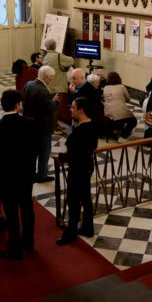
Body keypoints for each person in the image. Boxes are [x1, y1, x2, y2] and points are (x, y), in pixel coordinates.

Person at [0, 90, 38, 259]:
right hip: (25, 174)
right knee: (27, 208)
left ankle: (14, 247)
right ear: (18, 105)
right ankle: (29, 242)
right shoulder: (30, 123)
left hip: (5, 177)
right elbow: (34, 150)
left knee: (11, 212)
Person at [56, 97, 99, 245]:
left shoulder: (81, 130)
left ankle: (70, 232)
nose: (70, 109)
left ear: (81, 110)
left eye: (73, 107)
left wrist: (62, 156)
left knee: (74, 200)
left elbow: (74, 152)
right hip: (87, 165)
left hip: (78, 168)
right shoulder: (91, 124)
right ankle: (88, 227)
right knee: (85, 198)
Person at [22, 65, 59, 183]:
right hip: (43, 127)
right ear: (46, 77)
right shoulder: (43, 91)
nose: (52, 79)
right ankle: (42, 176)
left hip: (29, 124)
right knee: (44, 153)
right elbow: (50, 109)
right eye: (52, 77)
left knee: (32, 154)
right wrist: (55, 101)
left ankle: (31, 175)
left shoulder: (28, 85)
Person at [103, 72, 138, 140]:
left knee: (119, 118)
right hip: (120, 113)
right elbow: (128, 99)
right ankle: (123, 136)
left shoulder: (105, 88)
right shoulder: (122, 87)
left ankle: (115, 132)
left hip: (108, 113)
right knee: (133, 121)